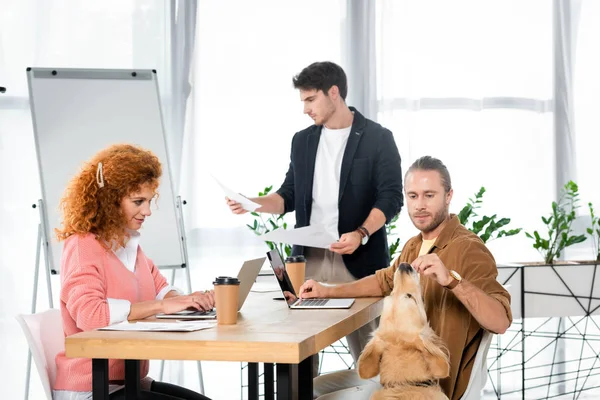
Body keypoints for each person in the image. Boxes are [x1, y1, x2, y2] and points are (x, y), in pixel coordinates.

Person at [226, 61, 404, 367]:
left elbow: (391, 197)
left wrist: (361, 234)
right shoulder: (303, 141)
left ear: (333, 93)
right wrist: (251, 202)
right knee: (302, 356)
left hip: (358, 260)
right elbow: (289, 196)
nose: (305, 109)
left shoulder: (378, 138)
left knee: (374, 357)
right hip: (309, 262)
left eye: (310, 99)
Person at [299, 156, 512, 400]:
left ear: (449, 195)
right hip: (396, 374)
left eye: (429, 195)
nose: (420, 205)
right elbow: (384, 281)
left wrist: (451, 280)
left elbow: (500, 322)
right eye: (413, 196)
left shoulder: (468, 249)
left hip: (429, 386)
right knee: (307, 389)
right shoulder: (414, 245)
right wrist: (326, 291)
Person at [53, 144, 213, 400]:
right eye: (138, 202)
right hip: (92, 386)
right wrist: (162, 307)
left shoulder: (130, 245)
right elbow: (91, 316)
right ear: (109, 200)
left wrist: (189, 300)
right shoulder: (83, 245)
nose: (148, 211)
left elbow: (162, 291)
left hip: (129, 381)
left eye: (149, 201)